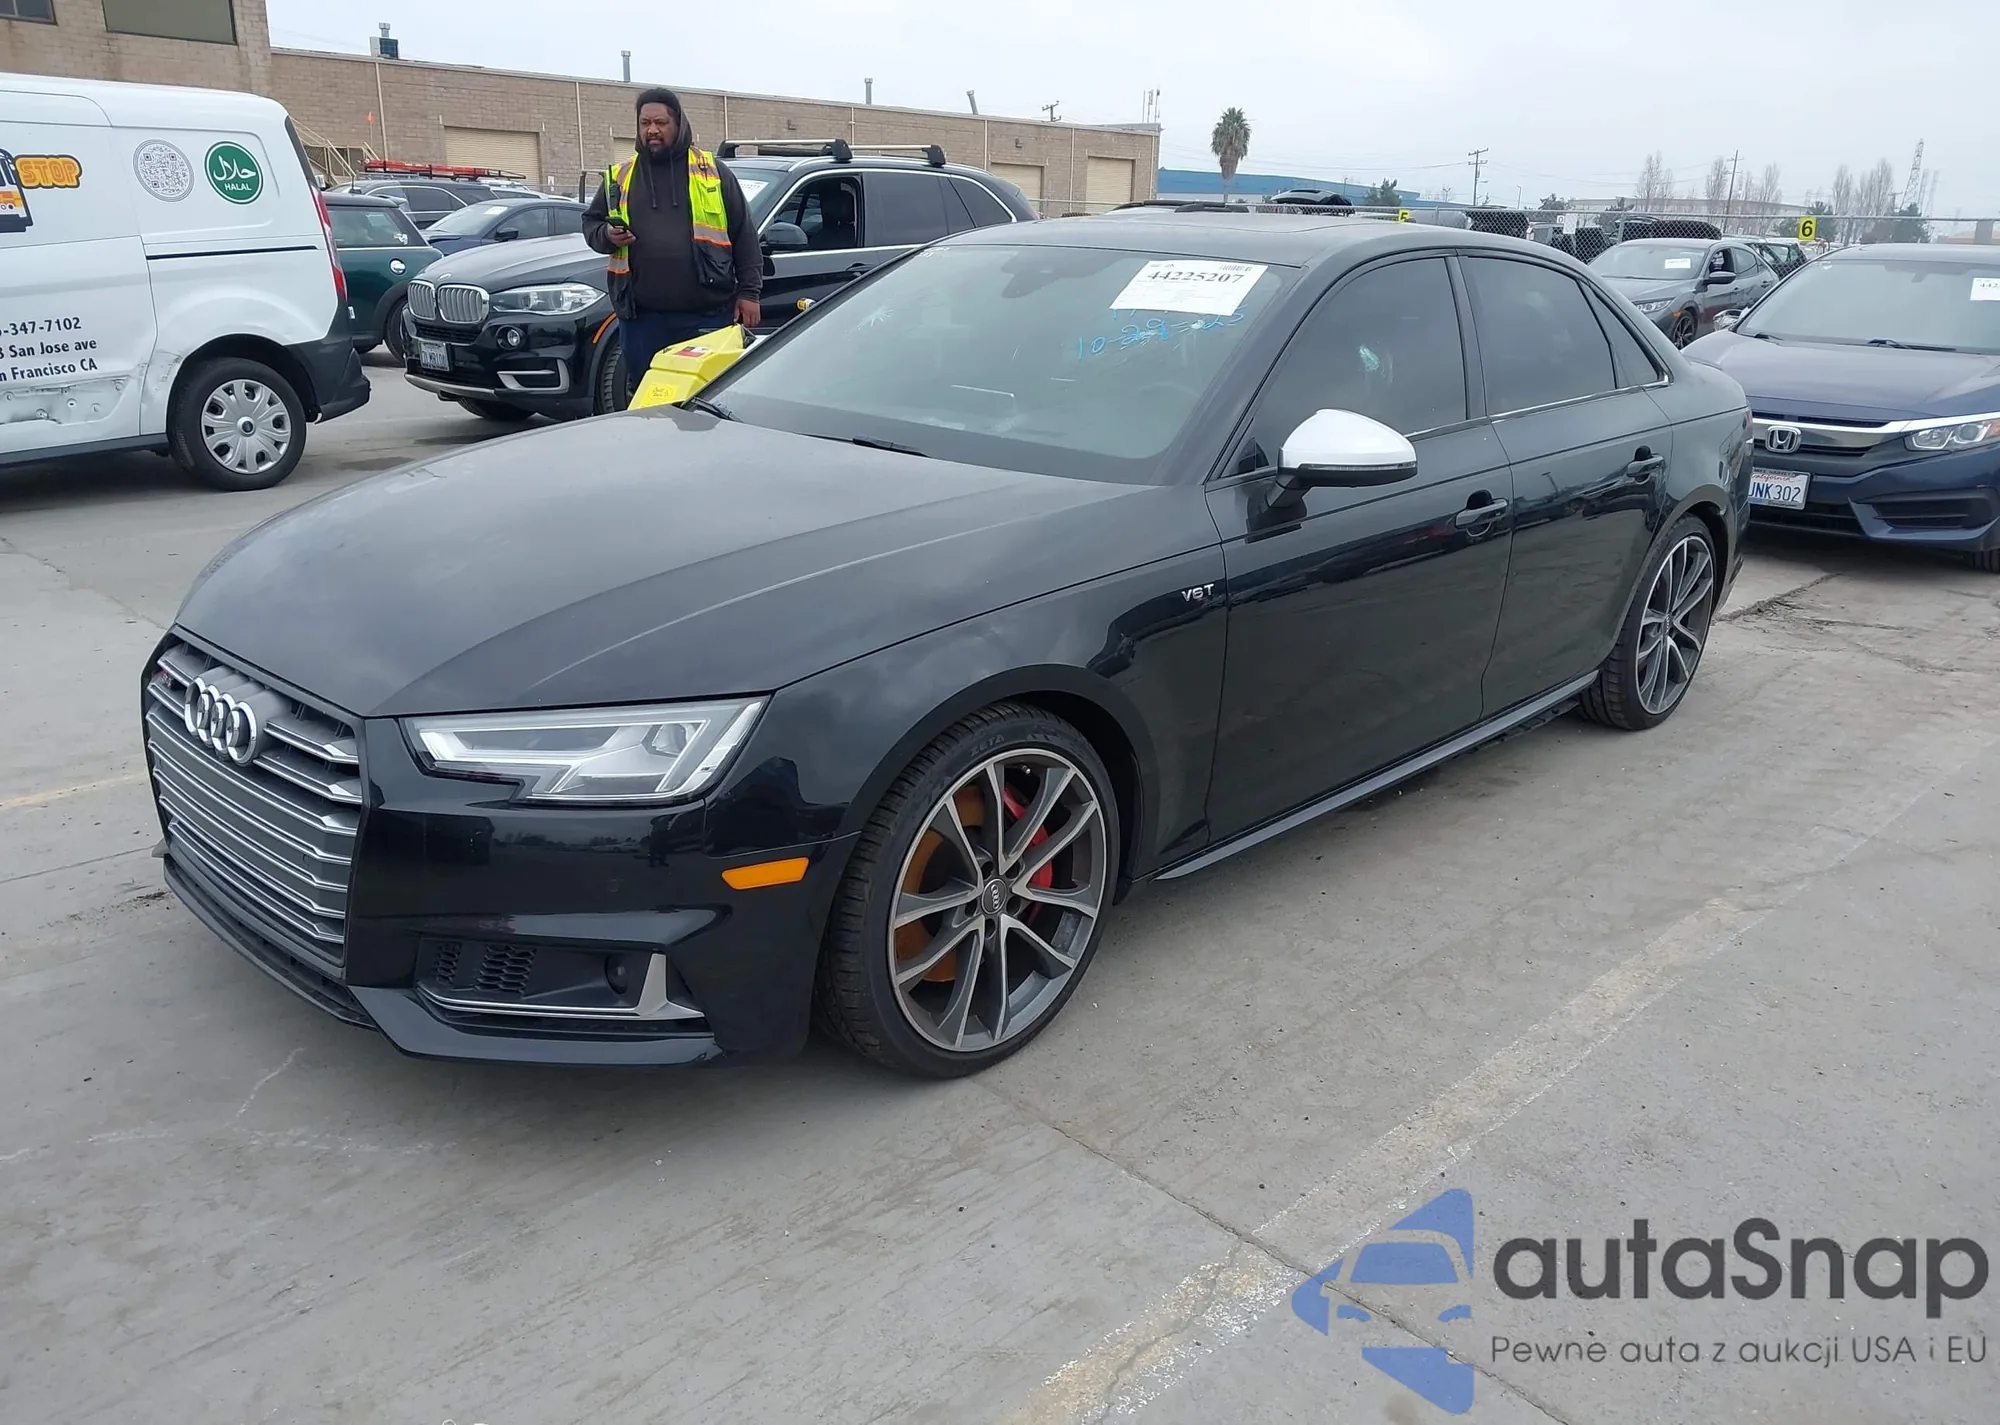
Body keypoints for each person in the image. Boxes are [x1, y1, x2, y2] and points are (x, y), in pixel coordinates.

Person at [584, 87, 762, 402]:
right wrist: (607, 235)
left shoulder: (712, 172)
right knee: (648, 402)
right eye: (645, 123)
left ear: (678, 124)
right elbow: (591, 223)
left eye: (661, 122)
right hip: (642, 320)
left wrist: (749, 293)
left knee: (705, 402)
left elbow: (744, 234)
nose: (652, 130)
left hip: (706, 316)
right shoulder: (620, 176)